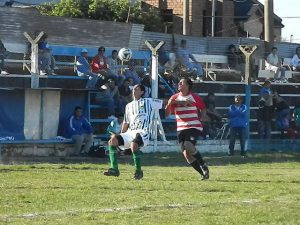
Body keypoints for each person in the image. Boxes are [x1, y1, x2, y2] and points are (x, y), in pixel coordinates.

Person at [103, 84, 163, 179]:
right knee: (112, 141)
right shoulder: (128, 106)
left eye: (136, 89)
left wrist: (178, 101)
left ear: (142, 92)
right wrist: (121, 134)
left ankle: (138, 171)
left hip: (143, 131)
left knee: (134, 145)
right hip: (130, 132)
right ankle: (114, 169)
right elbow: (126, 122)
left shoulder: (148, 101)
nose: (134, 91)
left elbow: (164, 102)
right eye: (133, 89)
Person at [165, 78, 209, 180]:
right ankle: (203, 174)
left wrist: (202, 117)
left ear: (188, 85)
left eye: (182, 83)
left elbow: (203, 107)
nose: (179, 84)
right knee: (186, 154)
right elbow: (167, 114)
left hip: (193, 125)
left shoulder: (194, 97)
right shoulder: (174, 97)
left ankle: (203, 165)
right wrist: (170, 103)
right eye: (179, 83)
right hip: (181, 128)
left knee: (188, 145)